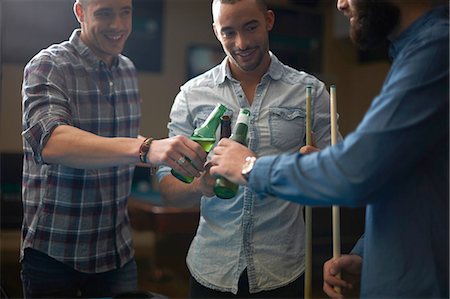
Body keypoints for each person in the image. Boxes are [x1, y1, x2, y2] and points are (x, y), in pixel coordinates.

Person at [210, 0, 449, 298]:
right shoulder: (415, 51)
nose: (341, 4)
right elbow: (405, 179)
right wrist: (367, 254)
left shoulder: (436, 50)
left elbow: (354, 170)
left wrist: (250, 167)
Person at [20, 0, 206, 297]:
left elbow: (118, 140)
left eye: (126, 12)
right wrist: (146, 148)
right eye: (105, 13)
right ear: (80, 12)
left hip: (116, 253)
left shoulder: (127, 70)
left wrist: (171, 155)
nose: (118, 25)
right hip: (55, 253)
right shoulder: (49, 65)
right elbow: (51, 142)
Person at [156, 0, 338, 297]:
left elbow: (341, 174)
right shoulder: (191, 95)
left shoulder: (310, 92)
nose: (241, 43)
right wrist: (200, 185)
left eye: (250, 27)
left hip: (283, 271)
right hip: (211, 270)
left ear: (268, 20)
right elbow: (167, 185)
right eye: (228, 32)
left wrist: (317, 166)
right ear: (216, 31)